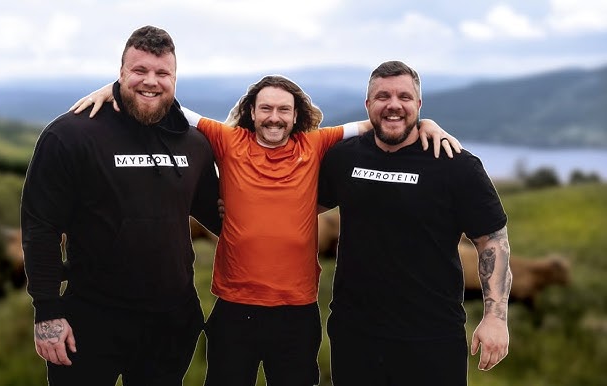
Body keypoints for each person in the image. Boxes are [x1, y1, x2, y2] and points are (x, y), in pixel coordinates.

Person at [72, 74, 461, 386]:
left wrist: (426, 121)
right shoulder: (228, 140)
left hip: (296, 313)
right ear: (252, 113)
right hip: (234, 310)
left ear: (296, 116)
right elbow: (170, 106)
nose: (275, 117)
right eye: (266, 109)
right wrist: (116, 88)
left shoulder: (315, 144)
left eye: (283, 110)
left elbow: (376, 121)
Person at [20, 25, 222, 386]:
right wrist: (47, 311)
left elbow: (221, 215)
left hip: (171, 323)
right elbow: (41, 227)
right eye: (139, 71)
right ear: (121, 73)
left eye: (163, 73)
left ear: (175, 78)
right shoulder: (70, 135)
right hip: (90, 321)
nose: (151, 81)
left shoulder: (194, 143)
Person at [317, 60, 512, 386]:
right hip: (355, 335)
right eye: (383, 97)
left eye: (404, 97)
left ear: (418, 105)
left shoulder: (455, 164)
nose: (394, 105)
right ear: (368, 105)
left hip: (432, 339)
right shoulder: (343, 157)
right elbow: (300, 205)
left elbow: (492, 240)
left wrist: (495, 317)